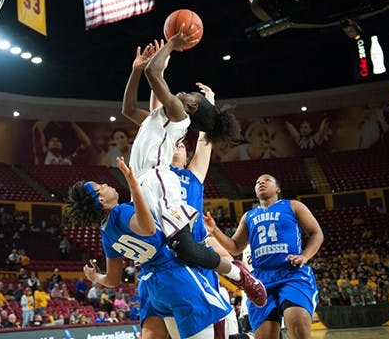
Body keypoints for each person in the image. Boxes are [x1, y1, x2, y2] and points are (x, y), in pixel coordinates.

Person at [121, 32, 266, 306]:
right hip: (141, 186)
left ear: (189, 107)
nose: (185, 92)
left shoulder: (178, 114)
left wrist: (172, 45)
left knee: (186, 248)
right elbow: (128, 108)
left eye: (191, 96)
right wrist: (135, 71)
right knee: (163, 247)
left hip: (156, 181)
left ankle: (240, 275)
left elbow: (156, 74)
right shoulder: (159, 117)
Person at [68, 156, 232, 339]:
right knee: (223, 326)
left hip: (153, 285)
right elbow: (148, 228)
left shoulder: (106, 234)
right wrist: (133, 185)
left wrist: (95, 276)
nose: (105, 184)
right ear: (101, 200)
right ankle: (239, 276)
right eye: (101, 186)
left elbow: (113, 279)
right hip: (175, 275)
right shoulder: (119, 212)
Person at [204, 174, 324, 339]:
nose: (261, 183)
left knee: (298, 328)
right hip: (261, 279)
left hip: (292, 274)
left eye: (267, 180)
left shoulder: (293, 206)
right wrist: (214, 230)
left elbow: (316, 233)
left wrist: (305, 255)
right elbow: (235, 246)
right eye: (257, 182)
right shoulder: (249, 216)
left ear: (277, 189)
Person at [167, 82, 240, 338]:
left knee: (217, 327)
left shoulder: (193, 176)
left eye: (182, 145)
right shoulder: (156, 174)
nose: (179, 145)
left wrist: (209, 104)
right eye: (175, 143)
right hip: (168, 258)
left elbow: (205, 137)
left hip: (199, 256)